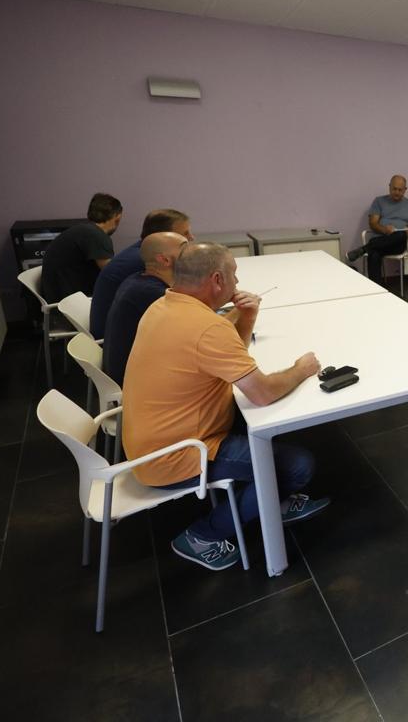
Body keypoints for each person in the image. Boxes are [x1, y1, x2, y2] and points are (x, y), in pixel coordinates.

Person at [122, 243, 328, 571]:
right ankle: (203, 535)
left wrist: (246, 315)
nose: (237, 281)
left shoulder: (164, 306)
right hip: (177, 455)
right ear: (217, 280)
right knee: (297, 466)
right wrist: (302, 369)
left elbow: (229, 356)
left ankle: (268, 501)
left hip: (150, 442)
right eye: (233, 274)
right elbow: (261, 392)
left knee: (265, 442)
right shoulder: (208, 328)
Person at [90, 208, 193, 339]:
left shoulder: (139, 256)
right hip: (112, 338)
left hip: (113, 335)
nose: (191, 238)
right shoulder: (143, 263)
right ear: (165, 237)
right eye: (184, 235)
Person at [101, 231, 186, 385]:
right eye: (185, 248)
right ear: (165, 260)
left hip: (125, 369)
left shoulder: (137, 279)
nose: (192, 253)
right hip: (137, 383)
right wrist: (241, 310)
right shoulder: (153, 294)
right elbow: (205, 332)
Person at [40, 192, 123, 302]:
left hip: (55, 296)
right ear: (117, 217)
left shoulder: (81, 230)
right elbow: (112, 274)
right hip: (68, 303)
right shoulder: (97, 236)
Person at [345, 175, 408, 280]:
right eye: (394, 189)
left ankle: (364, 249)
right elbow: (373, 223)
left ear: (405, 190)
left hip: (397, 244)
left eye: (400, 190)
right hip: (379, 239)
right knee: (374, 254)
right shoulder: (379, 201)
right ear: (389, 187)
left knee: (400, 235)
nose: (397, 192)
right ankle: (376, 290)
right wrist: (384, 230)